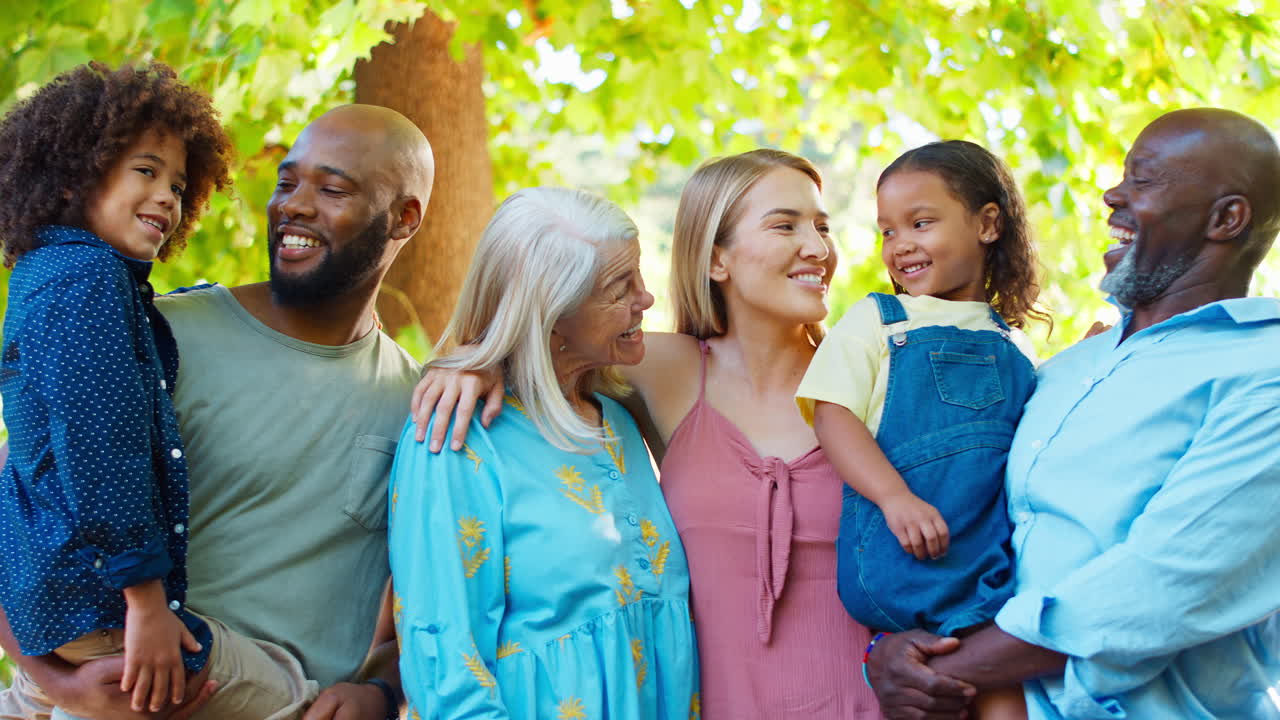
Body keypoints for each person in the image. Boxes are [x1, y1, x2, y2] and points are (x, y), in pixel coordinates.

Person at [0, 103, 432, 720]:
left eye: (332, 188)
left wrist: (381, 692)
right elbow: (16, 503)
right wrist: (52, 679)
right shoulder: (157, 337)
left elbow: (428, 601)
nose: (295, 206)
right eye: (286, 183)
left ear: (405, 218)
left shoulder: (419, 409)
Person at [413, 150, 881, 718]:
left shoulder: (874, 375)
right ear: (716, 260)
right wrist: (473, 363)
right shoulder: (660, 371)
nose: (818, 247)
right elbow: (543, 340)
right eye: (786, 225)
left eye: (823, 226)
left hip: (861, 699)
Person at [867, 108, 1280, 720]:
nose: (1112, 195)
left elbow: (1159, 585)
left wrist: (937, 669)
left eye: (1143, 180)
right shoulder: (1063, 371)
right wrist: (889, 646)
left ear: (1226, 219)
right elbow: (976, 524)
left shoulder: (1263, 371)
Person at [0, 61, 289, 719]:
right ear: (76, 172)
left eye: (181, 185)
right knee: (293, 699)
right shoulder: (88, 282)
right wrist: (147, 604)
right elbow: (104, 452)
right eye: (145, 171)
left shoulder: (43, 274)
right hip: (106, 607)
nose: (167, 197)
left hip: (64, 615)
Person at [391, 187, 699, 718]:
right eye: (619, 288)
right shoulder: (457, 438)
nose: (645, 299)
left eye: (639, 277)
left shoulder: (619, 418)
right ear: (551, 312)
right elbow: (445, 664)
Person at [798, 141, 1043, 718]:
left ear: (987, 224)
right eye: (887, 231)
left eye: (921, 222)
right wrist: (894, 498)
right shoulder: (879, 321)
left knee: (1001, 699)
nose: (900, 244)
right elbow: (833, 413)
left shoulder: (1016, 344)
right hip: (907, 561)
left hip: (986, 564)